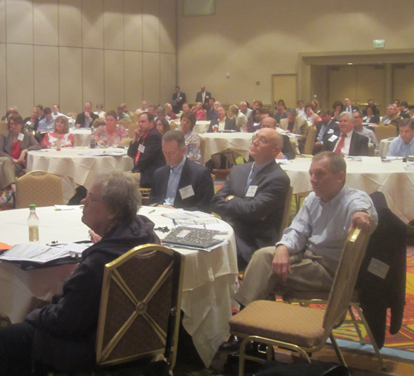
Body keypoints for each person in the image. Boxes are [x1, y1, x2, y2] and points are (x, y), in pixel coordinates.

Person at [0, 171, 160, 375]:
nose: (83, 201)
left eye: (91, 198)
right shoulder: (146, 238)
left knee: (9, 337)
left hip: (97, 349)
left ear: (114, 211)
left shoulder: (100, 262)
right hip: (141, 341)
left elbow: (67, 322)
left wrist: (33, 314)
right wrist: (107, 242)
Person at [233, 152, 377, 307]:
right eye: (311, 174)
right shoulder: (313, 199)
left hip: (331, 270)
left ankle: (244, 311)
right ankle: (253, 312)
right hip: (308, 257)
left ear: (340, 177)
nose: (313, 179)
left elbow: (361, 206)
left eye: (320, 174)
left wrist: (361, 213)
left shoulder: (353, 199)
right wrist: (283, 247)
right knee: (264, 256)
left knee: (264, 269)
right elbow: (297, 230)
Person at [211, 127, 290, 269]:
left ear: (275, 150)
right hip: (226, 229)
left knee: (211, 254)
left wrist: (231, 199)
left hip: (252, 242)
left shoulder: (278, 178)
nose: (255, 142)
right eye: (255, 138)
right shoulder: (238, 170)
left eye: (263, 140)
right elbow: (216, 202)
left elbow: (253, 211)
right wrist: (245, 207)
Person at [150, 130, 213, 212]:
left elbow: (205, 208)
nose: (167, 156)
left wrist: (177, 211)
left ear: (183, 150)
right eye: (164, 152)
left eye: (171, 153)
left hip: (185, 217)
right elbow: (152, 202)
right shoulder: (159, 174)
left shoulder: (200, 174)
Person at [0, 114, 40, 196]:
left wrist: (25, 151)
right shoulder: (4, 135)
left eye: (15, 124)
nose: (13, 126)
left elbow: (37, 146)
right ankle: (14, 187)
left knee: (2, 168)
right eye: (11, 124)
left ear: (21, 125)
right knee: (6, 161)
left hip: (16, 165)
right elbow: (0, 151)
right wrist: (12, 159)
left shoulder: (27, 135)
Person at [127, 112, 165, 188]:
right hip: (142, 172)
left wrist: (133, 171)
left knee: (121, 180)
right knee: (118, 177)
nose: (140, 124)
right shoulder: (144, 136)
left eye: (143, 122)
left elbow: (145, 159)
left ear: (151, 123)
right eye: (139, 122)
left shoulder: (154, 136)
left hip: (150, 175)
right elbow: (131, 153)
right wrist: (135, 138)